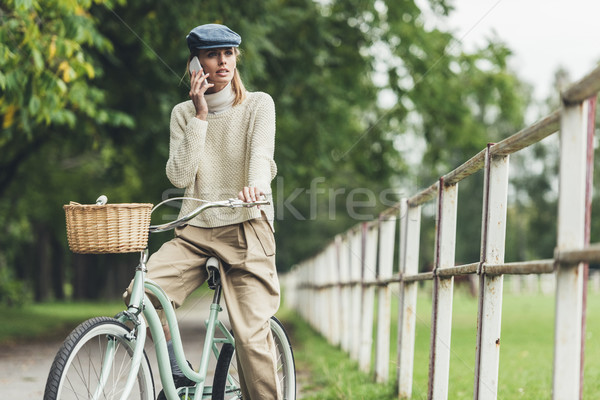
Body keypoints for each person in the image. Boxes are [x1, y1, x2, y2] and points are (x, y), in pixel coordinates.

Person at [124, 23, 280, 399]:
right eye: (213, 54)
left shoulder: (259, 104)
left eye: (228, 53)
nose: (223, 61)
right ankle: (177, 372)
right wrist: (201, 116)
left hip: (246, 229)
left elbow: (260, 156)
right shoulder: (184, 114)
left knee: (250, 336)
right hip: (196, 232)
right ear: (196, 64)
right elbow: (179, 176)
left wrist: (256, 186)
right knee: (140, 296)